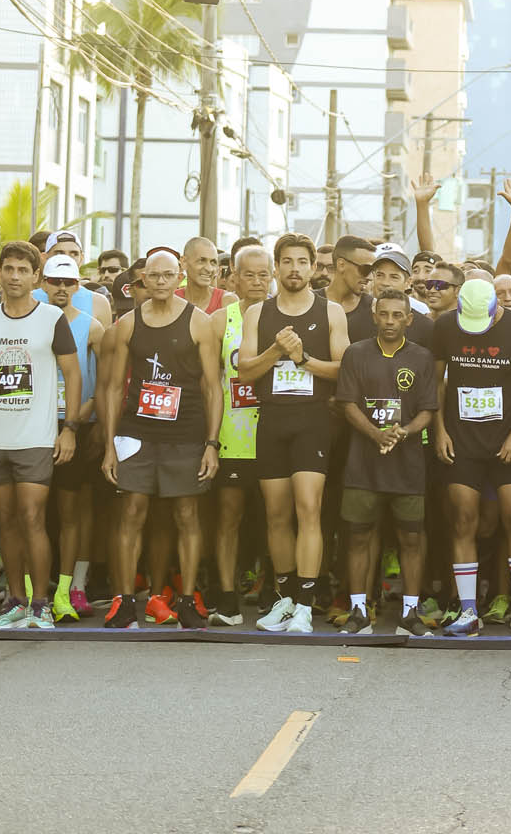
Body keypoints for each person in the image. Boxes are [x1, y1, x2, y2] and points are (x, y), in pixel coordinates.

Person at [0, 240, 81, 631]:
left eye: (22, 270)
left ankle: (40, 605)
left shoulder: (51, 318)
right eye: (8, 269)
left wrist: (70, 429)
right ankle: (15, 601)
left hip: (36, 437)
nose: (14, 277)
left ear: (35, 277)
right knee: (7, 521)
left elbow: (73, 374)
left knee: (32, 517)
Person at [101, 246, 222, 630]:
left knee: (186, 514)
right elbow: (113, 387)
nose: (160, 282)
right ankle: (123, 602)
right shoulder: (128, 324)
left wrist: (212, 443)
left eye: (168, 275)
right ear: (142, 280)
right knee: (131, 512)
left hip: (186, 431)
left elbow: (213, 387)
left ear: (179, 277)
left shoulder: (199, 322)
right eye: (153, 276)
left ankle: (186, 600)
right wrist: (109, 445)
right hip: (137, 432)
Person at [238, 233, 350, 634]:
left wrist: (303, 359)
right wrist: (276, 351)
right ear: (277, 267)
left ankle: (305, 602)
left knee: (308, 507)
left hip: (313, 420)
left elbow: (344, 369)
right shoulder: (258, 313)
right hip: (272, 418)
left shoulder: (331, 311)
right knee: (276, 513)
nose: (295, 269)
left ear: (313, 267)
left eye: (302, 262)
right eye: (287, 261)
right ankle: (285, 598)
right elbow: (244, 371)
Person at [434, 278, 511, 637]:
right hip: (462, 441)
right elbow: (436, 382)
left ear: (497, 307)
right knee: (464, 521)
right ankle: (468, 610)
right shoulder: (445, 326)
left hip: (507, 441)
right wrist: (439, 429)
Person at [336, 289, 437, 636]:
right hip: (363, 464)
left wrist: (404, 432)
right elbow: (347, 404)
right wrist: (376, 435)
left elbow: (428, 410)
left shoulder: (422, 357)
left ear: (409, 319)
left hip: (408, 465)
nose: (390, 321)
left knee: (411, 538)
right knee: (358, 537)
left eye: (397, 315)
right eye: (384, 314)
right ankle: (358, 611)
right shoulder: (355, 353)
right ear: (374, 316)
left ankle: (410, 613)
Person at [40, 252, 104, 622]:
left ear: (78, 286)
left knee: (72, 511)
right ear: (43, 284)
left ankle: (71, 588)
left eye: (68, 282)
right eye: (55, 281)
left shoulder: (92, 327)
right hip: (34, 427)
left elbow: (104, 384)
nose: (61, 288)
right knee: (33, 512)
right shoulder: (32, 321)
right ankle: (32, 590)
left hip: (77, 427)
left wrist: (78, 424)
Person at [209, 241, 269, 626]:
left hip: (273, 432)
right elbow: (210, 383)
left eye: (264, 275)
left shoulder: (286, 315)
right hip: (233, 432)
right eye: (250, 275)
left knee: (274, 518)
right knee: (228, 517)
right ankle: (227, 597)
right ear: (234, 277)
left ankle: (272, 591)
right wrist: (210, 440)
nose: (258, 282)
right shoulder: (221, 320)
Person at [35, 232, 111, 329]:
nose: (67, 258)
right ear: (44, 258)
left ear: (81, 259)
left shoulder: (99, 303)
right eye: (59, 253)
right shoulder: (29, 299)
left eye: (74, 254)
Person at [325, 235, 378, 341]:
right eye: (365, 269)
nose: (370, 278)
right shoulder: (309, 303)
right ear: (341, 265)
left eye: (373, 271)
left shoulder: (374, 309)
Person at [177, 236, 230, 314]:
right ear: (184, 262)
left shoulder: (227, 301)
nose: (209, 269)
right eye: (201, 261)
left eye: (213, 262)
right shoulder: (170, 300)